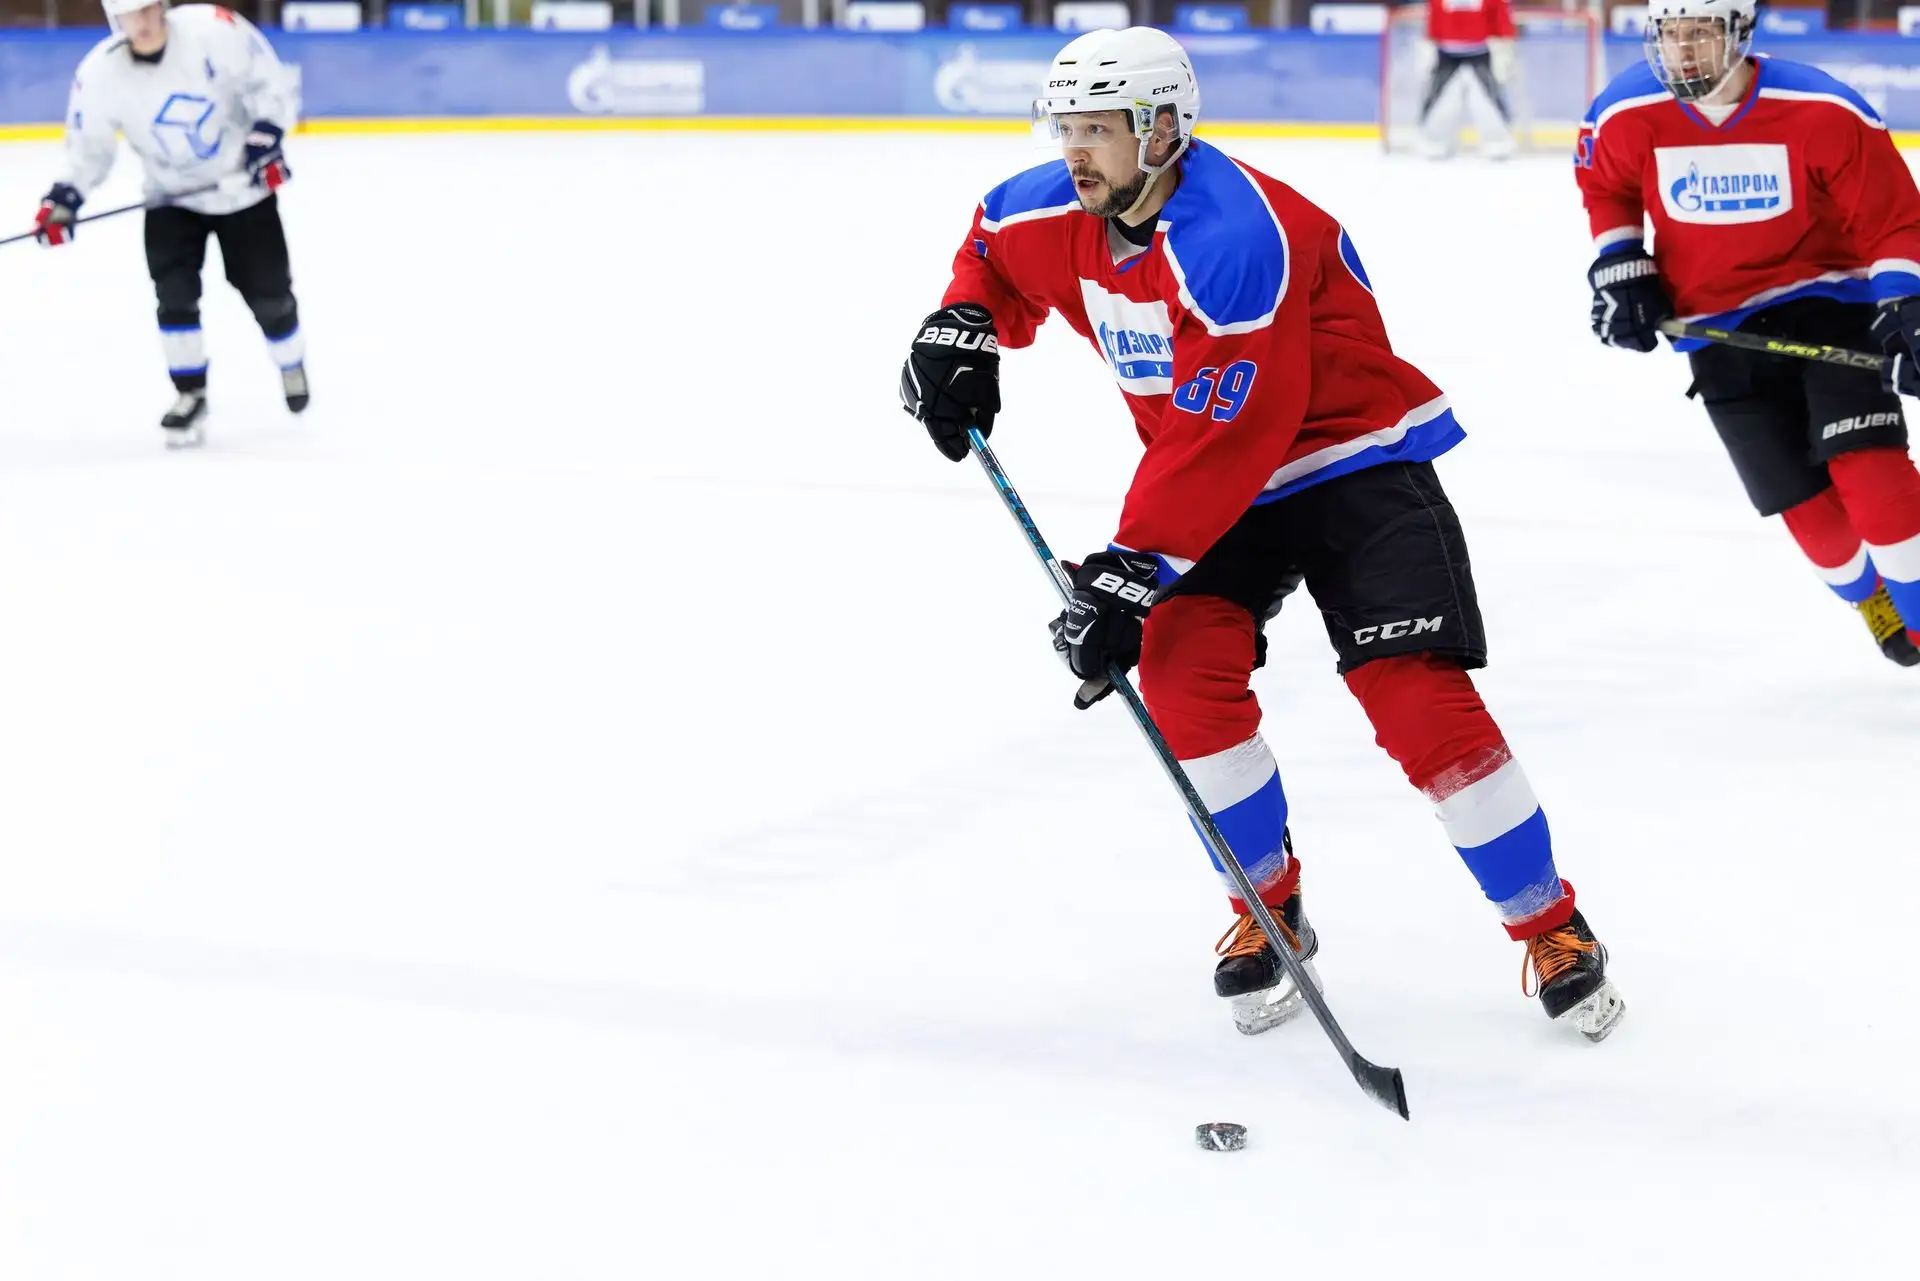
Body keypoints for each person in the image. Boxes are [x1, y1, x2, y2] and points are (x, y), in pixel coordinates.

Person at [898, 26, 1624, 1042]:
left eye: (1098, 130)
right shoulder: (1054, 205)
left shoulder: (1234, 235)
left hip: (1350, 459)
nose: (1075, 152)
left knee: (1416, 699)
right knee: (1183, 682)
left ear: (1162, 130)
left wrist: (1132, 569)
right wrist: (963, 327)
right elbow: (990, 249)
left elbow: (1230, 426)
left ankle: (1549, 923)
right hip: (1209, 484)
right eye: (1065, 128)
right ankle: (1267, 906)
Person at [1579, 0, 1920, 668]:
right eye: (1670, 33)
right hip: (1713, 324)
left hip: (1830, 301)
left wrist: (1905, 303)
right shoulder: (1625, 110)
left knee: (1870, 470)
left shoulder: (1823, 109)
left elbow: (1892, 220)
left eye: (1700, 32)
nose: (1682, 49)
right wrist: (1621, 263)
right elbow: (1606, 186)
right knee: (1806, 509)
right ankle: (1873, 597)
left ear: (1739, 33)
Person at [34, 0, 307, 449]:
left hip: (241, 189)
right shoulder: (100, 74)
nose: (142, 22)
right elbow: (88, 149)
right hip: (168, 196)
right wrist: (64, 199)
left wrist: (266, 140)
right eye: (130, 14)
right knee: (174, 298)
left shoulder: (213, 30)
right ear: (115, 19)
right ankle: (190, 393)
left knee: (271, 298)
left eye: (148, 9)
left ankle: (290, 360)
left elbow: (267, 82)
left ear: (162, 6)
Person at [1418, 0, 1518, 159]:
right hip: (1445, 53)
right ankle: (1435, 139)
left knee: (1488, 99)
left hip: (1481, 51)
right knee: (1441, 98)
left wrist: (1505, 43)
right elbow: (1434, 11)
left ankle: (1497, 140)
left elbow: (1498, 11)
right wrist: (1429, 40)